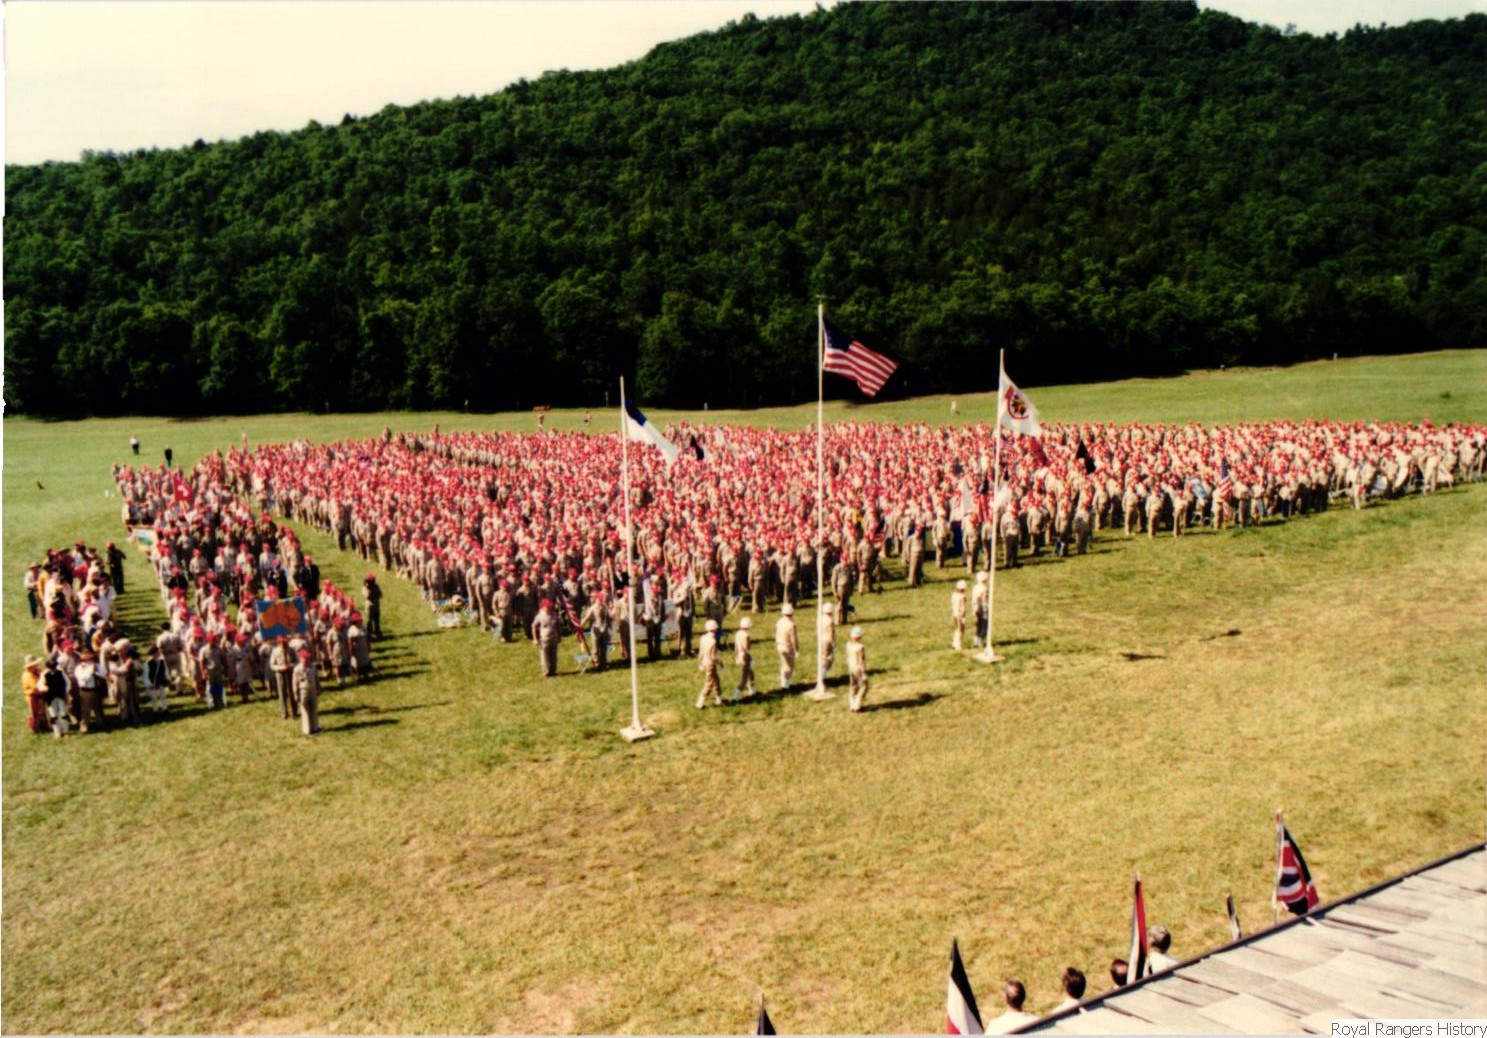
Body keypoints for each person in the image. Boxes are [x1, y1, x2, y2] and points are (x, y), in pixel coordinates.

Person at [292, 649, 321, 736]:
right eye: (305, 659)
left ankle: (315, 727)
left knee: (313, 708)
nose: (307, 661)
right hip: (303, 690)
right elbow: (295, 683)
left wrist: (318, 688)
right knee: (305, 710)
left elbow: (316, 679)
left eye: (308, 659)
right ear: (301, 659)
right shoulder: (297, 669)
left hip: (312, 689)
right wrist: (296, 694)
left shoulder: (313, 667)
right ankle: (307, 729)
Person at [41, 657, 71, 738]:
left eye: (53, 667)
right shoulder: (44, 675)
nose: (52, 669)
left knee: (63, 714)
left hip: (61, 696)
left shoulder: (61, 673)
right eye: (50, 667)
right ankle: (57, 732)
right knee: (53, 715)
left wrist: (66, 691)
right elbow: (39, 685)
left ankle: (65, 731)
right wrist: (44, 687)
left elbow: (68, 683)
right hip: (50, 697)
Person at [696, 618, 722, 709]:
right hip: (710, 664)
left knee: (716, 680)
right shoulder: (713, 641)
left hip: (704, 662)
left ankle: (719, 699)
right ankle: (700, 702)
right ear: (715, 629)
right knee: (709, 683)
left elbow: (701, 651)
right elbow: (713, 656)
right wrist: (720, 663)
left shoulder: (703, 638)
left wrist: (700, 663)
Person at [533, 598, 559, 677]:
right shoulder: (539, 616)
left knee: (553, 656)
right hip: (544, 639)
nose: (549, 608)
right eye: (547, 607)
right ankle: (545, 671)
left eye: (550, 606)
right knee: (544, 656)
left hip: (554, 638)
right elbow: (534, 627)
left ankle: (553, 671)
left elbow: (558, 625)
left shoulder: (554, 615)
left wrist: (559, 636)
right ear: (543, 607)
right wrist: (535, 639)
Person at [23, 655, 49, 734]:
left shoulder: (37, 671)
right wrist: (44, 687)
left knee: (42, 711)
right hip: (33, 696)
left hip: (40, 694)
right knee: (34, 712)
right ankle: (35, 728)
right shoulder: (27, 675)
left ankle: (44, 726)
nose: (36, 665)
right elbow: (35, 686)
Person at [775, 603, 798, 691]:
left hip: (779, 645)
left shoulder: (779, 622)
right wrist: (796, 650)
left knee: (784, 664)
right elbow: (793, 639)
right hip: (787, 647)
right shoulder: (791, 625)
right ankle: (785, 685)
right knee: (790, 666)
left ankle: (783, 683)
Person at [846, 625, 868, 712]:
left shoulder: (848, 645)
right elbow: (861, 661)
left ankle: (851, 703)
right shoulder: (860, 647)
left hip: (850, 667)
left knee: (853, 685)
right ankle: (857, 703)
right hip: (858, 668)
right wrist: (864, 673)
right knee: (864, 686)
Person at [733, 616, 755, 700]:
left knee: (750, 674)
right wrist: (751, 659)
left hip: (739, 655)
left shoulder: (738, 633)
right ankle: (736, 695)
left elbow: (736, 647)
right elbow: (746, 648)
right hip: (745, 656)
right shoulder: (746, 635)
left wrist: (736, 656)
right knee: (744, 678)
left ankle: (751, 690)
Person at [950, 579, 968, 651]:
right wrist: (963, 613)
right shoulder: (962, 597)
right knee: (961, 629)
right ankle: (957, 644)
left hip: (954, 613)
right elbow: (962, 606)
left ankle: (954, 642)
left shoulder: (954, 595)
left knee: (957, 628)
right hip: (960, 614)